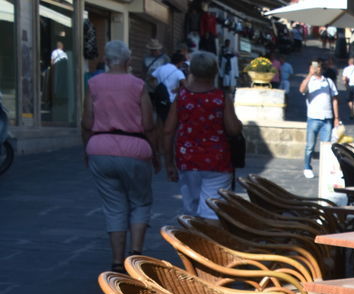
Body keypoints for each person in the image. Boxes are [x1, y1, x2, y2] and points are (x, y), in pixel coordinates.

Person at [82, 39, 159, 272]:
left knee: (114, 206)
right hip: (135, 148)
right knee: (140, 201)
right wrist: (156, 154)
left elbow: (86, 122)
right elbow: (148, 123)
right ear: (127, 61)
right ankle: (135, 256)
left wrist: (86, 149)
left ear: (106, 60)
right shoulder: (138, 85)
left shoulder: (93, 84)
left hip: (100, 147)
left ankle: (117, 261)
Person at [164, 50, 240, 219]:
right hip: (217, 161)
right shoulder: (221, 97)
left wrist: (168, 162)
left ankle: (192, 242)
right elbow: (233, 129)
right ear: (215, 72)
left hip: (187, 160)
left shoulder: (181, 97)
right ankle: (208, 243)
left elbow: (168, 130)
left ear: (192, 72)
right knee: (213, 210)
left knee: (190, 208)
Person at [299, 59, 339, 178]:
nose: (317, 69)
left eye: (319, 67)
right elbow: (301, 90)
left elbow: (335, 99)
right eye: (314, 66)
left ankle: (325, 169)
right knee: (310, 145)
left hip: (327, 118)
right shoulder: (309, 81)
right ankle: (307, 166)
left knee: (326, 146)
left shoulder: (328, 81)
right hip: (313, 117)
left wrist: (336, 117)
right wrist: (310, 74)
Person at [340, 56, 354, 121]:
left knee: (349, 100)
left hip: (349, 86)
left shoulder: (346, 69)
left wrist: (345, 85)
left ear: (349, 62)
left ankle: (352, 111)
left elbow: (344, 78)